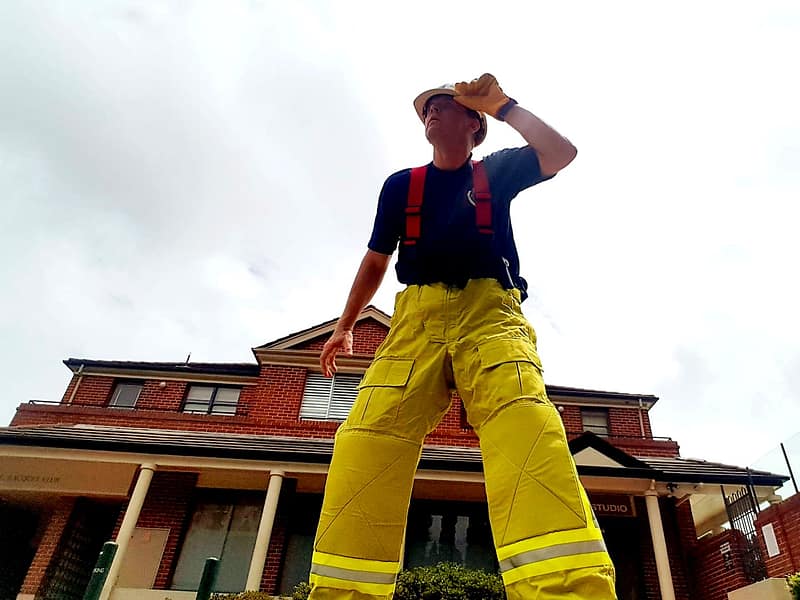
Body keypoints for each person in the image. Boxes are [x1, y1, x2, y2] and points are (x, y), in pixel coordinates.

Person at [308, 74, 616, 600]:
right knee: (365, 439)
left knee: (523, 424)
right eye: (426, 108)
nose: (430, 112)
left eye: (444, 105)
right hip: (415, 322)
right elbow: (377, 259)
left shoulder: (495, 172)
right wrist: (343, 327)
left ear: (472, 122)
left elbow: (561, 152)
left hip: (489, 313)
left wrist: (503, 105)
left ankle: (566, 591)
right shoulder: (401, 185)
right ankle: (343, 593)